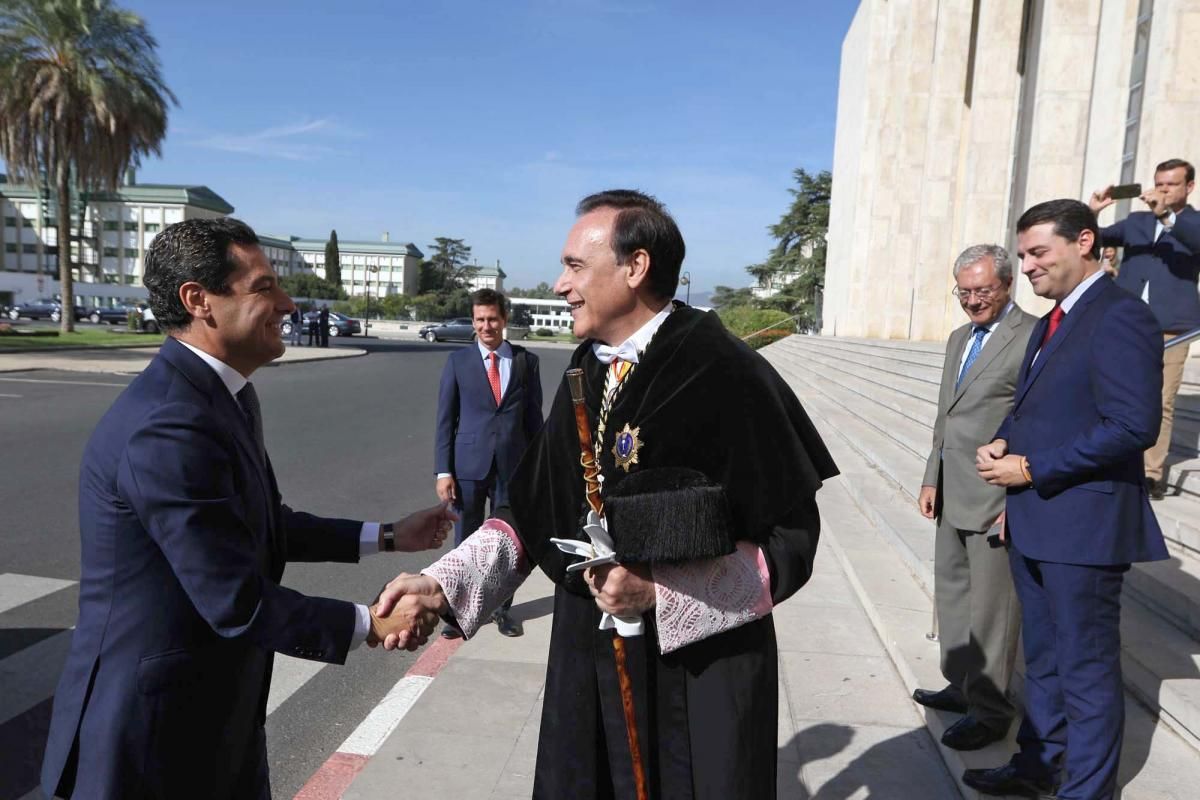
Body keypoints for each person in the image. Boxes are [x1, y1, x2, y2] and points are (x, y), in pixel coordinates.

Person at [377, 190, 838, 799]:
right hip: (590, 657)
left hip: (699, 673)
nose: (561, 284)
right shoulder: (585, 369)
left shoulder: (727, 372)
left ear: (636, 267)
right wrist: (443, 584)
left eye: (574, 266)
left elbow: (791, 543)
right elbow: (533, 508)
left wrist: (662, 591)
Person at [39, 218, 451, 800]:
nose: (287, 303)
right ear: (198, 301)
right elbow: (232, 596)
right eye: (263, 288)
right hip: (152, 737)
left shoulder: (221, 395)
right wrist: (372, 623)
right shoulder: (168, 424)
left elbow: (263, 523)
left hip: (213, 719)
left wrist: (385, 536)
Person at [968, 200, 1167, 800]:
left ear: (1085, 242)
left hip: (1085, 527)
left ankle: (1087, 790)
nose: (1026, 266)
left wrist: (1029, 466)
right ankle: (1037, 766)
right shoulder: (1054, 319)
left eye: (1037, 253)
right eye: (1023, 254)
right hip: (1036, 520)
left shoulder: (1120, 316)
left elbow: (1134, 426)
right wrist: (1006, 438)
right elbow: (1040, 405)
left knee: (1084, 671)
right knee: (1047, 664)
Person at [914, 244, 1036, 750]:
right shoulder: (958, 337)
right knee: (956, 597)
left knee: (992, 610)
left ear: (1007, 284)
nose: (972, 300)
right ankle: (962, 685)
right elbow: (948, 414)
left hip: (995, 496)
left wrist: (1019, 497)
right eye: (963, 291)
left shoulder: (1031, 337)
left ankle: (991, 711)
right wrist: (931, 475)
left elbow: (1032, 419)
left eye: (982, 290)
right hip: (951, 491)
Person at [434, 288, 543, 638]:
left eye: (492, 319)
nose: (486, 326)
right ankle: (457, 611)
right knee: (465, 539)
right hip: (468, 466)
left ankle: (501, 610)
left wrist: (538, 467)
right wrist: (443, 470)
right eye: (479, 319)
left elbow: (533, 420)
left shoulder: (526, 362)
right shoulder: (458, 362)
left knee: (507, 543)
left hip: (512, 467)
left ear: (504, 319)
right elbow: (445, 420)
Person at [1089, 158, 1200, 499]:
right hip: (1128, 322)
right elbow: (1094, 239)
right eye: (1159, 183)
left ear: (1189, 187)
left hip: (1174, 328)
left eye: (1171, 184)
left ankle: (1151, 472)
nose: (1163, 189)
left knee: (1162, 400)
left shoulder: (1194, 223)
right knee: (1117, 393)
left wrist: (1165, 216)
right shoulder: (1136, 221)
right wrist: (1091, 213)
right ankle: (1114, 460)